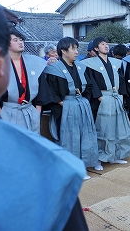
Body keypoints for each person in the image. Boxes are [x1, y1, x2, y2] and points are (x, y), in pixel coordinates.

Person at [0, 0, 88, 231]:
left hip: (28, 109)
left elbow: (40, 92)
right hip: (9, 111)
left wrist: (36, 108)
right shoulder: (47, 166)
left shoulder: (34, 64)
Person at [44, 37, 99, 177]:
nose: (76, 52)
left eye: (76, 48)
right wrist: (64, 104)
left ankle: (84, 164)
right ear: (63, 51)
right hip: (64, 107)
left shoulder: (81, 67)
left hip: (81, 104)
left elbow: (90, 86)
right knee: (69, 138)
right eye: (73, 48)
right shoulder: (53, 69)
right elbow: (51, 91)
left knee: (85, 135)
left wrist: (83, 100)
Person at [82, 37, 130, 170]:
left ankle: (114, 156)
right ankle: (98, 158)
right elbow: (90, 82)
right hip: (102, 99)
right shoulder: (89, 63)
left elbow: (121, 80)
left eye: (106, 44)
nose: (106, 46)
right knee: (102, 129)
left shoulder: (116, 62)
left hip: (115, 97)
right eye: (102, 44)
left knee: (117, 128)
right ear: (96, 48)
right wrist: (99, 97)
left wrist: (121, 95)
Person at [0, 28, 53, 133]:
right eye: (15, 40)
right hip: (7, 112)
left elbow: (42, 90)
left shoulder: (34, 62)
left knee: (31, 144)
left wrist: (37, 111)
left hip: (30, 111)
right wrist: (0, 115)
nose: (20, 42)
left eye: (21, 39)